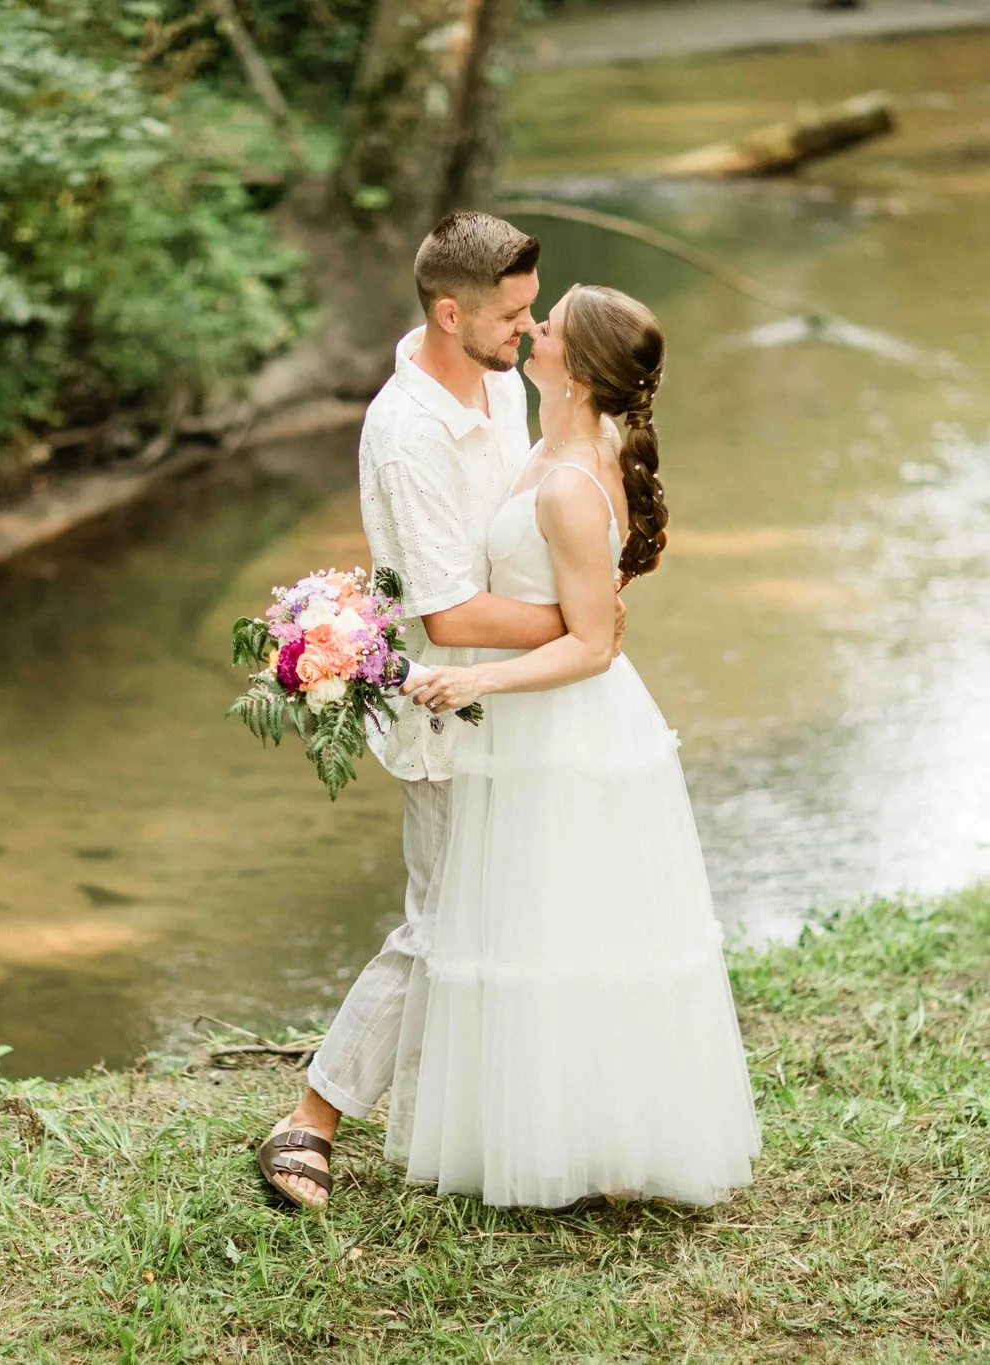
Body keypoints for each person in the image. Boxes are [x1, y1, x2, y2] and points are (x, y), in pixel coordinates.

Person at [258, 212, 624, 1210]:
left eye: (531, 306)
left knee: (533, 910)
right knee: (442, 924)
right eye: (511, 313)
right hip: (453, 703)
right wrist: (578, 619)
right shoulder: (406, 430)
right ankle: (311, 1117)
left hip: (533, 690)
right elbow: (449, 610)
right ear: (448, 310)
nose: (531, 325)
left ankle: (536, 1126)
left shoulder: (505, 380)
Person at [392, 284, 760, 1207]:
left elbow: (592, 643)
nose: (532, 331)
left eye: (546, 326)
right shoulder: (553, 447)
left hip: (568, 722)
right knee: (546, 923)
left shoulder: (566, 480)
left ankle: (601, 1145)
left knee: (578, 930)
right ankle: (563, 1133)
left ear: (582, 369)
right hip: (533, 716)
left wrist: (474, 677)